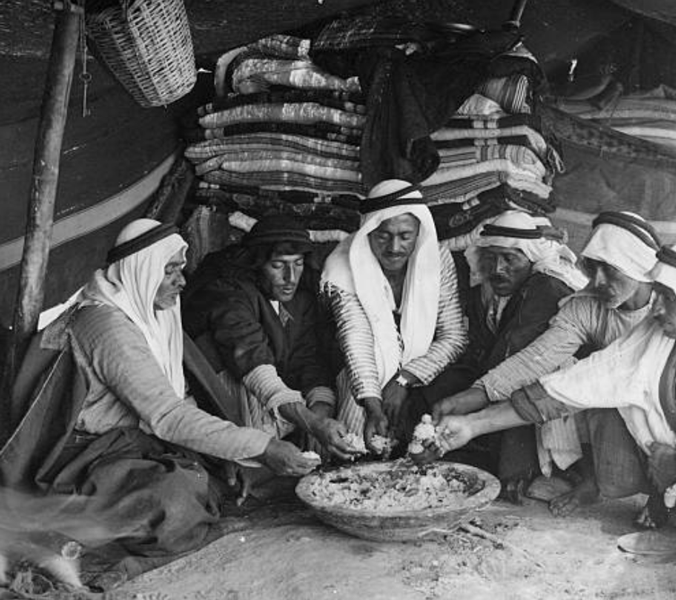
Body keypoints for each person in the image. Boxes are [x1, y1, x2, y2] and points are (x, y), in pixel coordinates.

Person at [441, 238, 676, 600]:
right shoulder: (660, 333)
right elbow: (573, 385)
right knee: (606, 403)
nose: (655, 307)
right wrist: (474, 425)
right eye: (656, 293)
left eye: (668, 296)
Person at [1, 219, 321, 582]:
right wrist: (262, 447)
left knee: (217, 475)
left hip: (130, 445)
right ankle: (72, 532)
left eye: (180, 271)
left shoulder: (153, 313)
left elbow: (178, 399)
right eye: (169, 271)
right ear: (141, 271)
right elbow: (166, 416)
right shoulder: (105, 325)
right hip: (82, 458)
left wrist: (225, 453)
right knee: (176, 498)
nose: (182, 282)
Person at [434, 211, 660, 511]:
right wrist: (474, 400)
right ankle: (594, 481)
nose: (600, 280)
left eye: (611, 270)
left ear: (639, 266)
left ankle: (662, 495)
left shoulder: (669, 311)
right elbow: (535, 360)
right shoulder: (587, 307)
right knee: (576, 381)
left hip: (665, 409)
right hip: (615, 405)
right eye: (594, 269)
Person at [402, 210, 587, 467]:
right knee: (435, 389)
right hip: (494, 375)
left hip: (538, 380)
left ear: (531, 258)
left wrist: (469, 397)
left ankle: (518, 473)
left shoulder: (546, 286)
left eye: (510, 259)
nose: (498, 269)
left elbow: (518, 358)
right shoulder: (489, 289)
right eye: (490, 258)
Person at [182, 217, 354, 462]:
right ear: (257, 264)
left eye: (298, 264)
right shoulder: (229, 293)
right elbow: (251, 358)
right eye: (277, 265)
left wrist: (320, 412)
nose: (290, 277)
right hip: (227, 397)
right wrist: (311, 423)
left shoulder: (299, 299)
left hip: (274, 396)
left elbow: (308, 359)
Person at [320, 179, 468, 453]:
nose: (394, 247)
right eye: (383, 235)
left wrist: (404, 379)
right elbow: (357, 339)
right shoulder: (344, 264)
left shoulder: (437, 258)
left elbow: (454, 336)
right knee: (357, 440)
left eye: (405, 236)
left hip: (422, 367)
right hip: (362, 369)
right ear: (368, 232)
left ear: (419, 233)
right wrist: (373, 405)